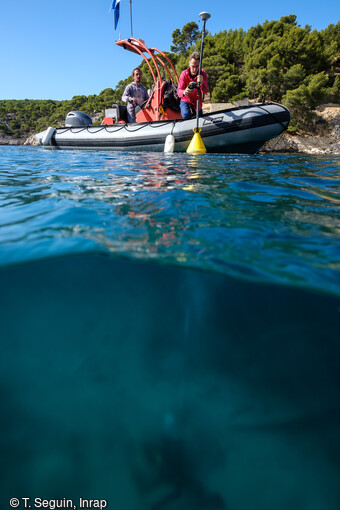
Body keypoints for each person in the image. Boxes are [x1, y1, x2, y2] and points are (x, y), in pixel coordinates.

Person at [177, 52, 208, 120]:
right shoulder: (184, 74)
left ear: (199, 65)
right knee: (186, 115)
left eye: (197, 66)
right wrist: (184, 92)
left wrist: (202, 83)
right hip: (185, 100)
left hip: (197, 101)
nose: (194, 69)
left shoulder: (203, 73)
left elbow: (205, 91)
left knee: (199, 119)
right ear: (189, 64)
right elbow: (179, 91)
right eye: (193, 66)